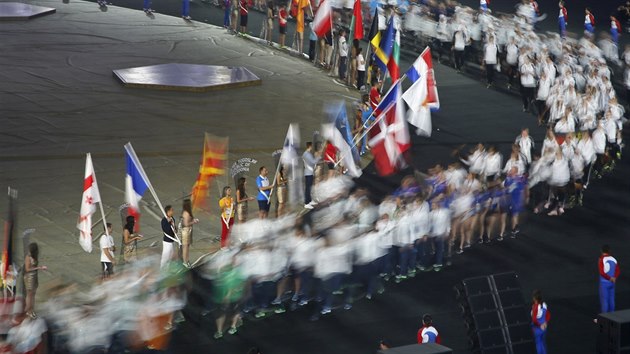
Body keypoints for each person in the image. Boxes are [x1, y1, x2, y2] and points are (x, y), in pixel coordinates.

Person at [23, 243, 46, 319]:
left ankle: (31, 309)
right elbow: (27, 269)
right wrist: (38, 268)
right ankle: (28, 311)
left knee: (33, 294)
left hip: (34, 277)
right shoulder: (28, 257)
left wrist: (40, 268)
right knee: (30, 295)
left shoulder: (34, 256)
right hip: (29, 277)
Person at [598, 245, 620, 313]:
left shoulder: (601, 259)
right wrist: (614, 278)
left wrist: (609, 278)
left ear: (601, 251)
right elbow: (618, 270)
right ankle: (612, 318)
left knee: (604, 300)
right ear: (609, 251)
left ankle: (604, 319)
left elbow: (602, 273)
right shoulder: (613, 259)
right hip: (612, 283)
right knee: (611, 300)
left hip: (604, 283)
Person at [180, 199, 199, 267]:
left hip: (188, 231)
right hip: (186, 231)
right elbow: (186, 223)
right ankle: (185, 262)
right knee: (185, 247)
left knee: (186, 247)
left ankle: (186, 261)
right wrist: (194, 222)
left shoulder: (186, 212)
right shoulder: (186, 213)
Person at [531, 289, 550, 354]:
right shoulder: (544, 304)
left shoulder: (535, 307)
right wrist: (545, 323)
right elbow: (548, 315)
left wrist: (540, 325)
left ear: (534, 298)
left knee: (538, 343)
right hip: (544, 327)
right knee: (543, 342)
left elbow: (534, 320)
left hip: (537, 328)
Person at [303, 142, 320, 207]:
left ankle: (309, 200)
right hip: (308, 173)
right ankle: (306, 203)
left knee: (309, 187)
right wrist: (318, 157)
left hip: (309, 172)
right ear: (310, 146)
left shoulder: (307, 154)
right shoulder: (307, 154)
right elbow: (313, 162)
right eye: (312, 146)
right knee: (308, 188)